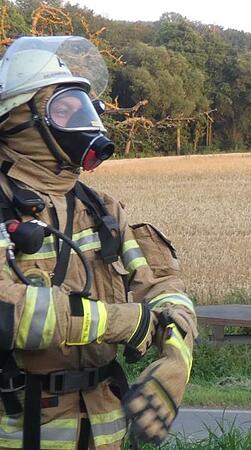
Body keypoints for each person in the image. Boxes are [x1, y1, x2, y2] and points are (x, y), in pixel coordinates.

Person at [0, 36, 196, 449]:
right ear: (17, 120)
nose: (81, 122)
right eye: (64, 110)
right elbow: (11, 315)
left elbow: (161, 285)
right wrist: (122, 321)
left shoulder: (100, 208)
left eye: (83, 109)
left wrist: (178, 356)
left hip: (105, 429)